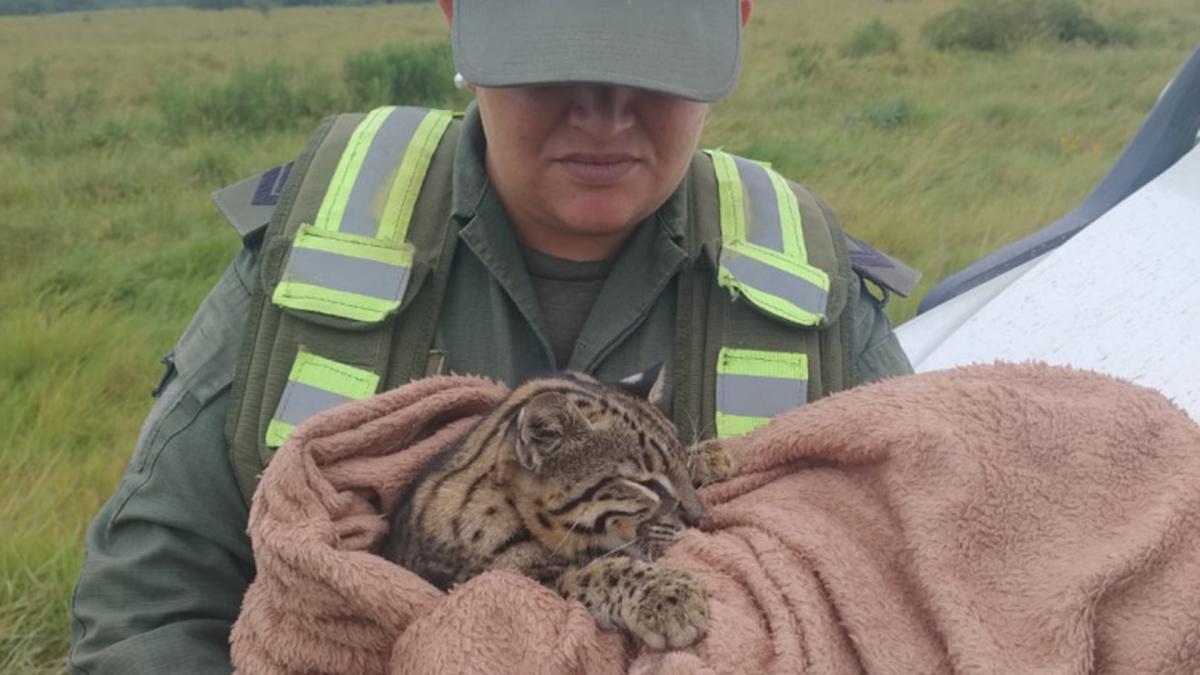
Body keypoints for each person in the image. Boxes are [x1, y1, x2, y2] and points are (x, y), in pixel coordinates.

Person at [68, 0, 915, 671]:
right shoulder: (314, 245)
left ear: (735, 18)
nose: (606, 112)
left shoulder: (814, 288)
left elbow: (922, 588)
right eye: (556, 54)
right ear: (456, 16)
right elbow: (148, 602)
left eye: (654, 65)